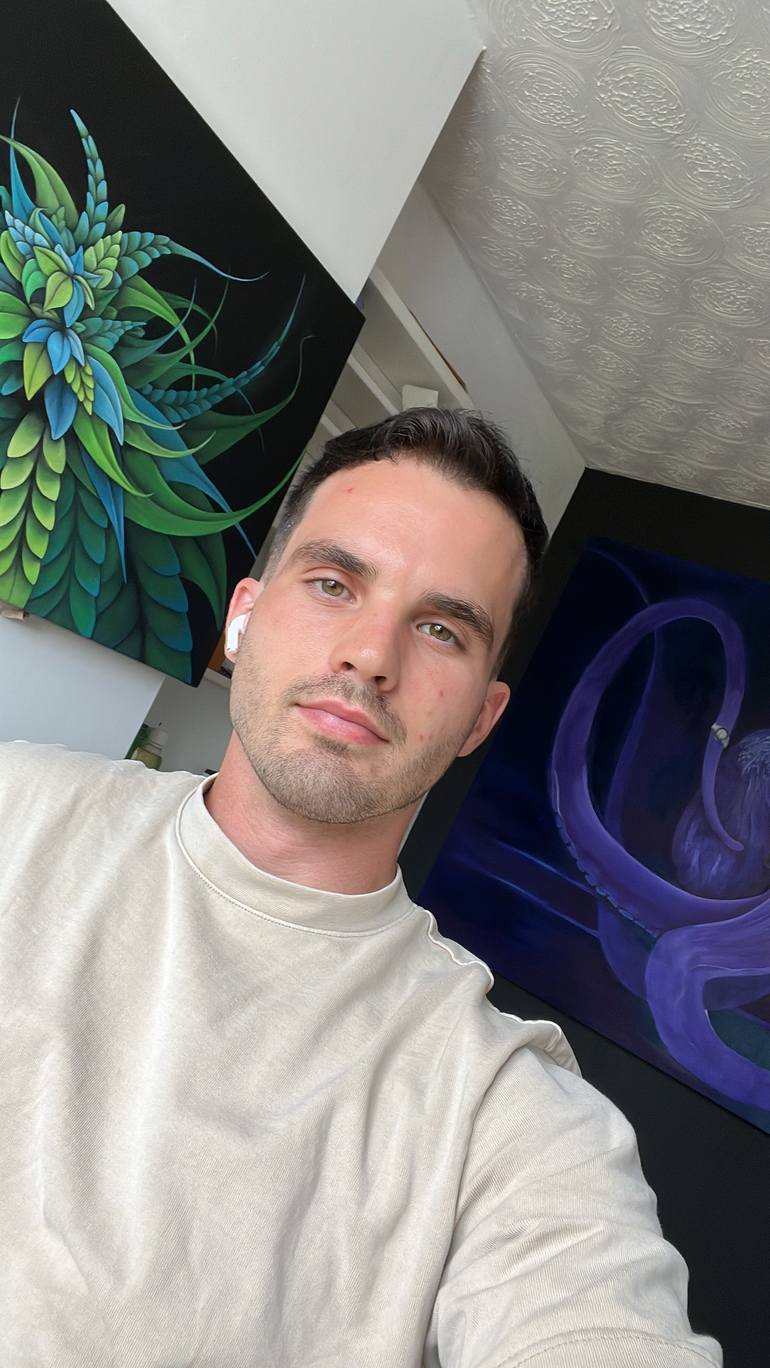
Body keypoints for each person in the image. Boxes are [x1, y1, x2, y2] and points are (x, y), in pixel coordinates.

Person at [0, 409, 721, 1367]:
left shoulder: (494, 1107)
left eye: (442, 630)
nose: (373, 656)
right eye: (335, 583)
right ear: (244, 616)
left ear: (481, 720)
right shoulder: (16, 804)